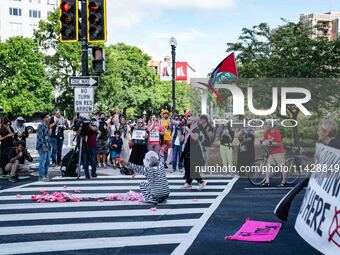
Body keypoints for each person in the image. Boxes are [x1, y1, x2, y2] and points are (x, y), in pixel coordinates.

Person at [181, 117, 207, 190]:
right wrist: (180, 131)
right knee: (187, 167)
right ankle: (189, 182)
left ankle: (201, 181)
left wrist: (188, 130)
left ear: (194, 121)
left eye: (190, 120)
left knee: (192, 168)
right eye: (188, 120)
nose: (188, 121)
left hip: (194, 152)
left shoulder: (197, 129)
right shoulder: (187, 129)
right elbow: (181, 139)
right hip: (186, 150)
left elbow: (195, 138)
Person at [261, 121, 286, 187]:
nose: (265, 126)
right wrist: (263, 142)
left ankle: (283, 182)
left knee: (282, 167)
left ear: (271, 125)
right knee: (268, 166)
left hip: (279, 152)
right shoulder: (267, 132)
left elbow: (279, 144)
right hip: (272, 153)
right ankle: (267, 182)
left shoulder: (276, 132)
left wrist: (270, 143)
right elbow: (264, 140)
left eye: (267, 125)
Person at [36, 112, 51, 182]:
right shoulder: (41, 125)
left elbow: (47, 136)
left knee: (47, 161)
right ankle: (41, 176)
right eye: (47, 117)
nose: (49, 118)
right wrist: (42, 146)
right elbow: (40, 137)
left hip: (48, 146)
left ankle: (45, 174)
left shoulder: (47, 126)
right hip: (43, 146)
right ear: (44, 118)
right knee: (42, 161)